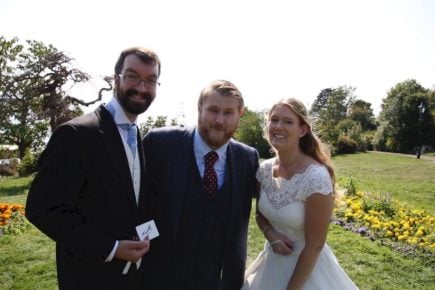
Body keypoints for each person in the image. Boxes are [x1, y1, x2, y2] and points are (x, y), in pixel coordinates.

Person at [25, 47, 161, 290]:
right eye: (132, 76)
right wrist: (112, 248)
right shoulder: (76, 134)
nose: (141, 88)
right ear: (115, 78)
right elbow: (43, 209)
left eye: (150, 80)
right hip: (89, 277)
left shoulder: (138, 135)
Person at [142, 80, 259, 290]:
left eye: (228, 113)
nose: (219, 120)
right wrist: (143, 239)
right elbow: (137, 201)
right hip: (159, 275)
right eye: (213, 110)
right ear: (199, 109)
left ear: (240, 114)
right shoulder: (159, 143)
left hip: (219, 280)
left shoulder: (248, 158)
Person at [242, 98, 359, 290]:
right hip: (271, 265)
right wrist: (270, 234)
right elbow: (260, 214)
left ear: (302, 130)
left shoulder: (316, 177)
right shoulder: (263, 170)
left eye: (288, 121)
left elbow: (315, 245)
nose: (278, 126)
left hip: (308, 273)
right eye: (274, 120)